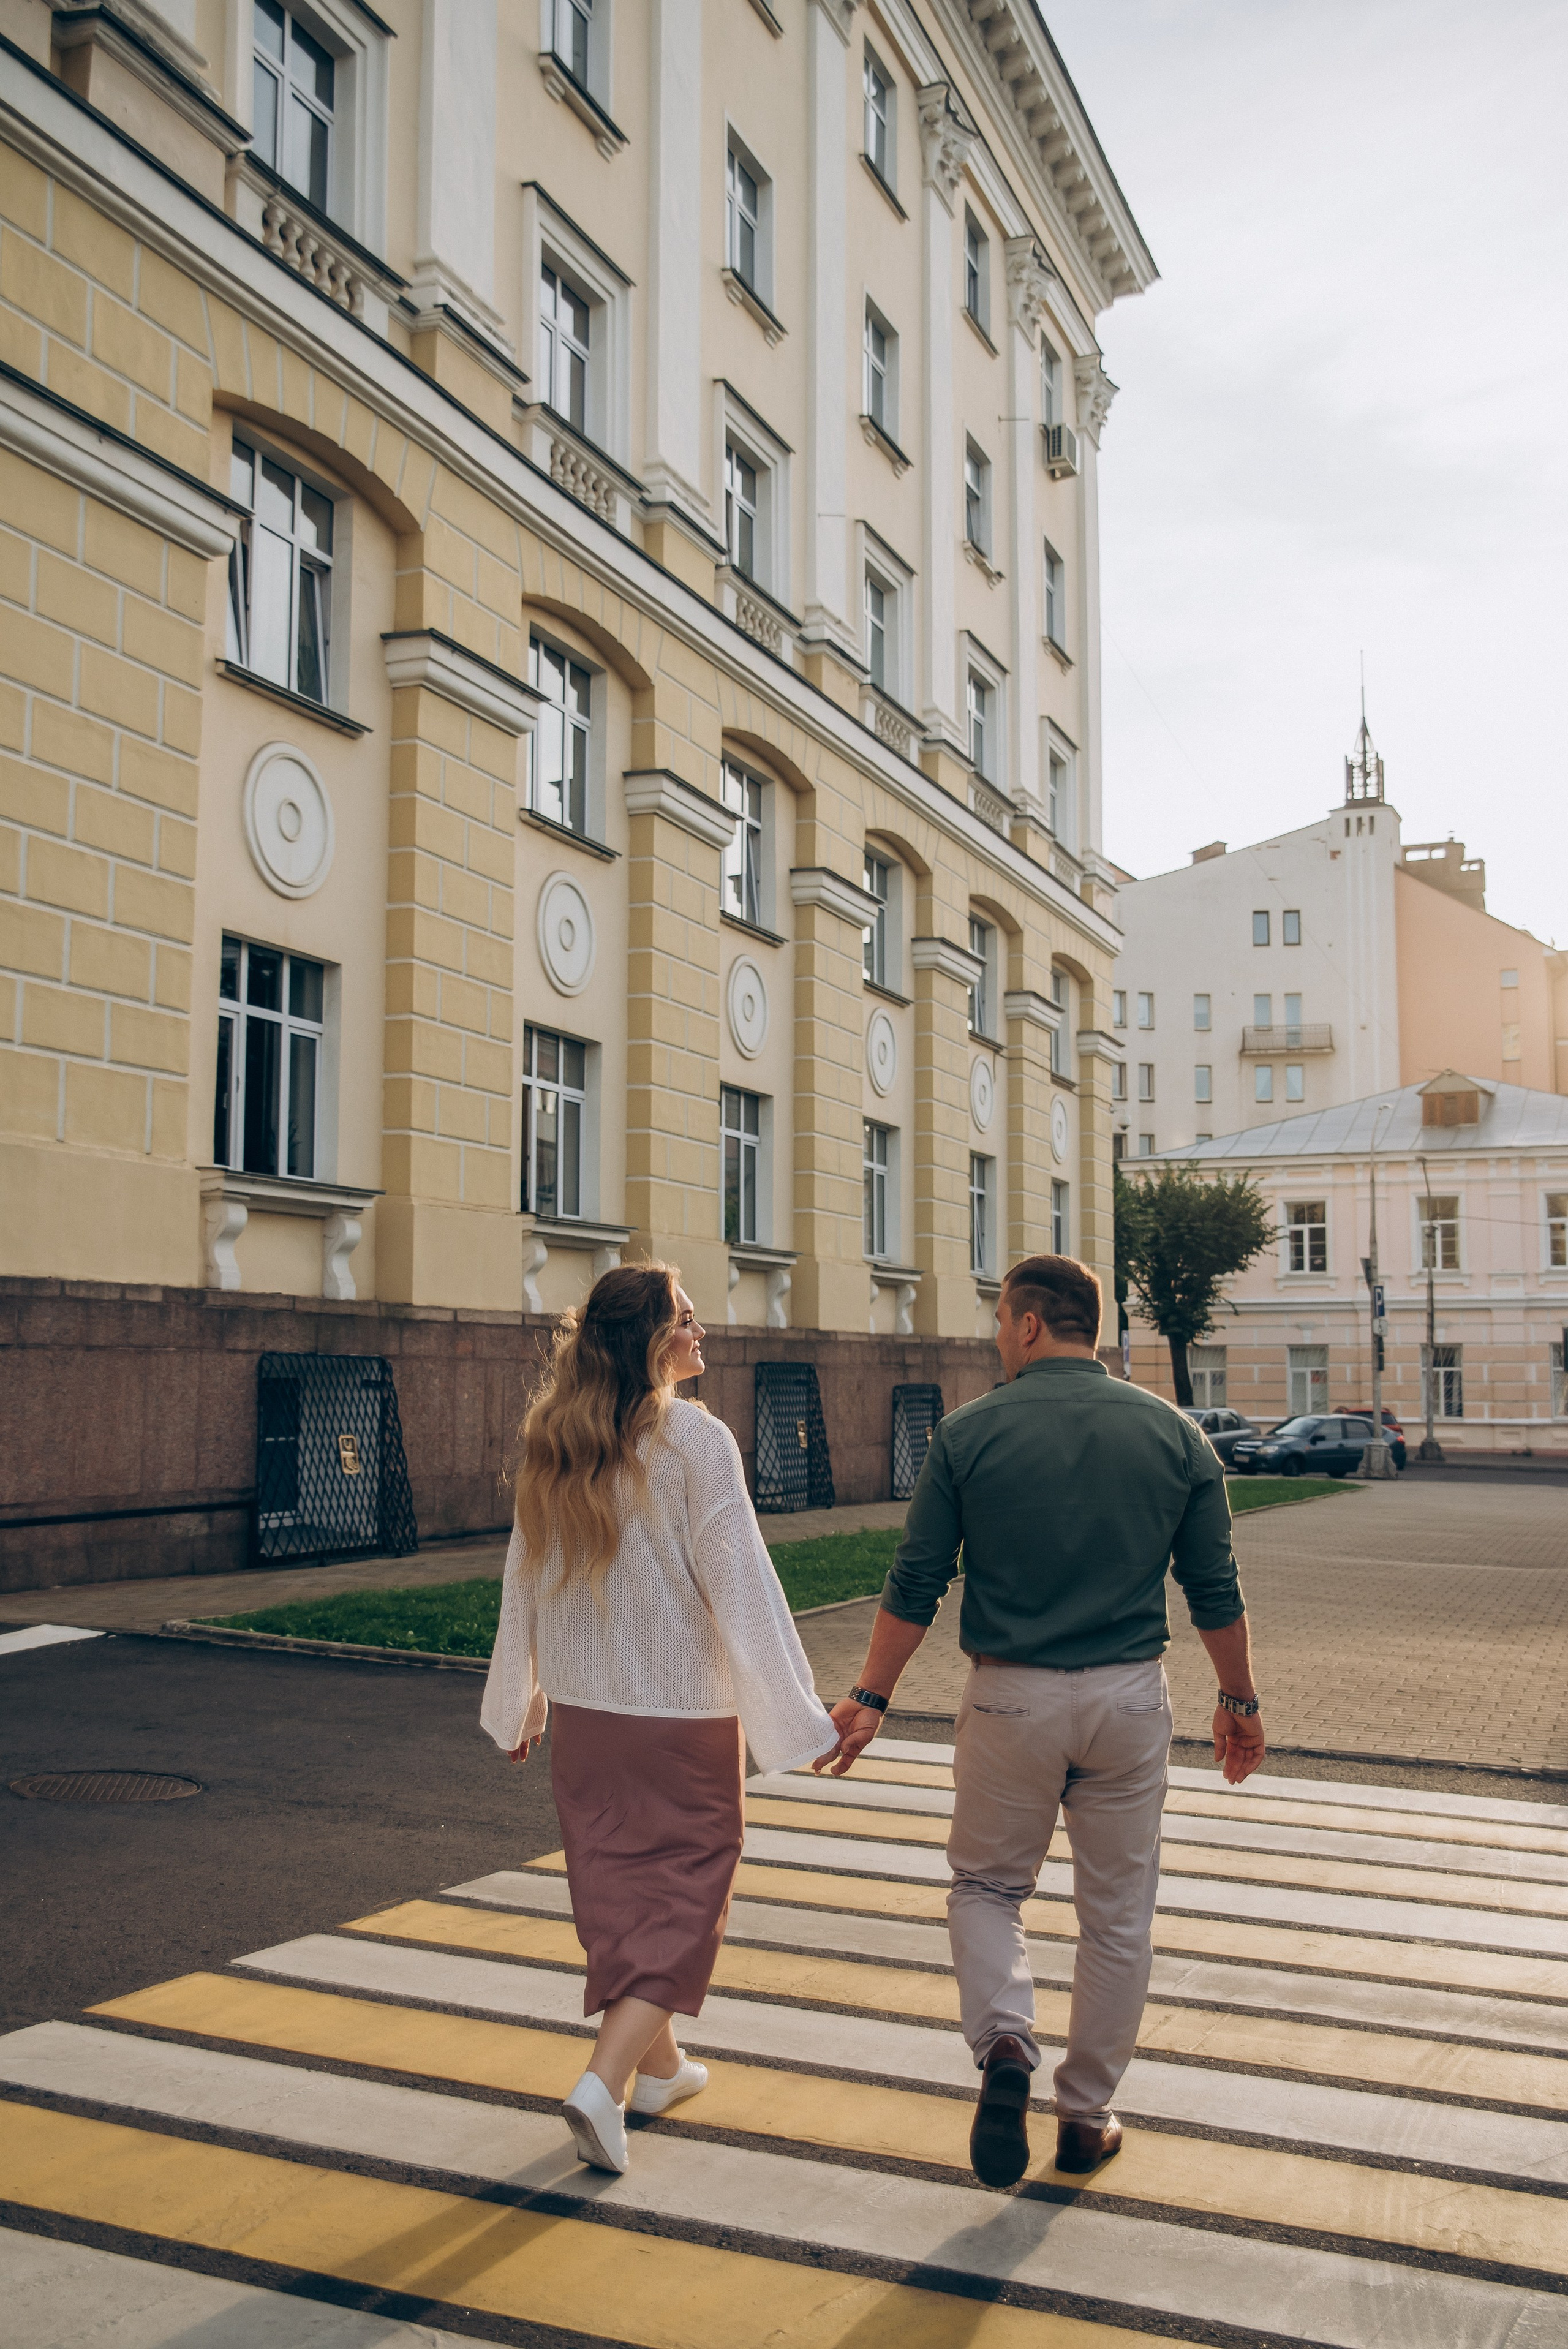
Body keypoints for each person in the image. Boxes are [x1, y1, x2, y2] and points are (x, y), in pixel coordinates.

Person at [815, 1252, 1265, 2189]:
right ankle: (1085, 2115)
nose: (995, 1341)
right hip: (1128, 1702)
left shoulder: (968, 1434)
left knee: (985, 1887)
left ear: (1027, 1326)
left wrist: (870, 1696)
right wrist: (1239, 1703)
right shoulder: (1177, 1435)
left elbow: (918, 1581)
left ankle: (1006, 2047)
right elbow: (1214, 1589)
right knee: (1117, 1919)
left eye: (997, 1325)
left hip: (1011, 1698)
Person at [481, 1261, 837, 2176]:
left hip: (588, 1717)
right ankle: (601, 2084)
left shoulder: (554, 1439)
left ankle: (661, 2071)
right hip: (679, 1715)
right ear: (647, 1341)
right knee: (685, 1900)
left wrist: (517, 1700)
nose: (700, 1330)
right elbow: (742, 1587)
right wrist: (801, 1720)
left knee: (622, 1904)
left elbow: (523, 1575)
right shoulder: (694, 1439)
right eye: (683, 1318)